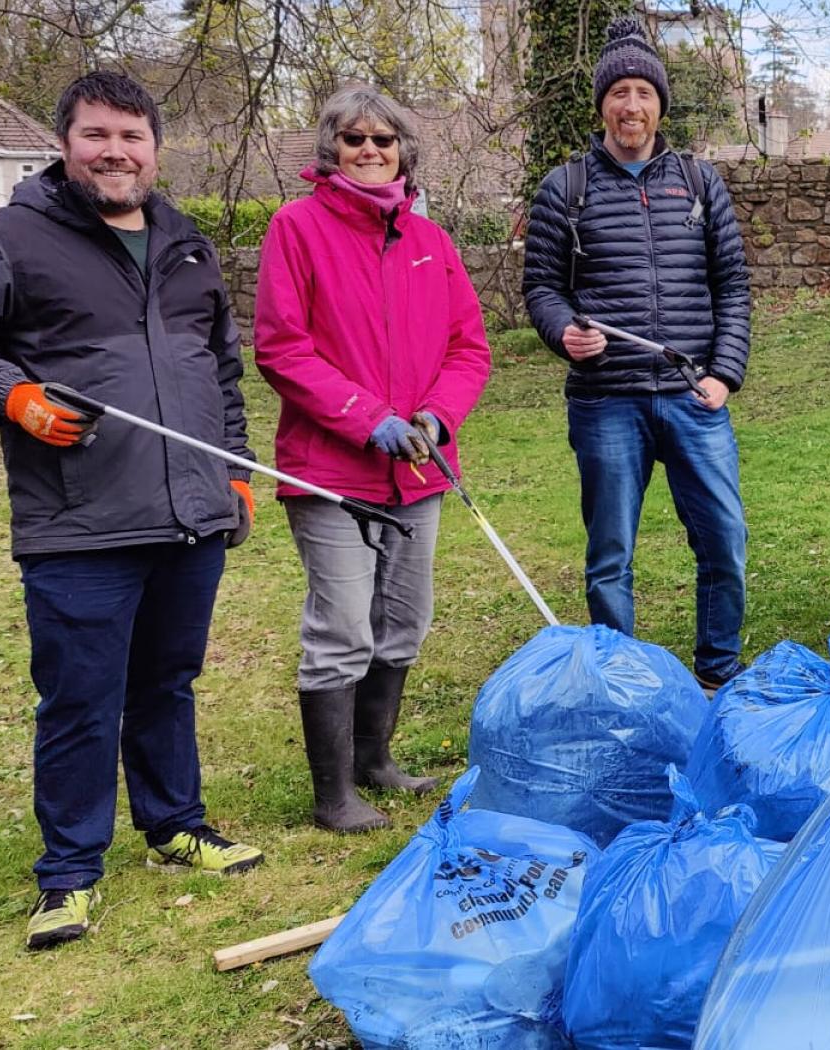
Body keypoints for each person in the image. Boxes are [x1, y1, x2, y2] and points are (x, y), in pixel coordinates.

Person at [0, 71, 264, 951]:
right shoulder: (12, 239)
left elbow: (219, 373)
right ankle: (68, 872)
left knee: (166, 685)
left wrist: (237, 474)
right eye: (97, 135)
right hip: (80, 522)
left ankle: (175, 823)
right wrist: (10, 393)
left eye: (132, 138)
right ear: (66, 142)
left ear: (155, 148)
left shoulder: (186, 245)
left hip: (189, 513)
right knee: (80, 699)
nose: (115, 152)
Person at [253, 86, 492, 833]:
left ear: (403, 151)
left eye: (383, 140)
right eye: (353, 139)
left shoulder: (431, 241)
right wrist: (367, 418)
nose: (368, 150)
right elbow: (281, 347)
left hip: (416, 468)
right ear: (330, 149)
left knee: (404, 621)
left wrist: (435, 416)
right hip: (329, 471)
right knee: (343, 627)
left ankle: (375, 760)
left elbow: (468, 347)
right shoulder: (296, 229)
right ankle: (333, 797)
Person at [522, 17, 753, 689]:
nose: (631, 106)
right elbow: (541, 286)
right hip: (606, 403)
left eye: (643, 93)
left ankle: (718, 674)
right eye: (618, 92)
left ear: (660, 104)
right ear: (601, 104)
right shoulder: (565, 189)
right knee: (610, 556)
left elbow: (733, 284)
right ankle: (620, 685)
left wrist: (725, 375)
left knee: (724, 543)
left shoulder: (700, 183)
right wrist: (564, 331)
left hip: (692, 397)